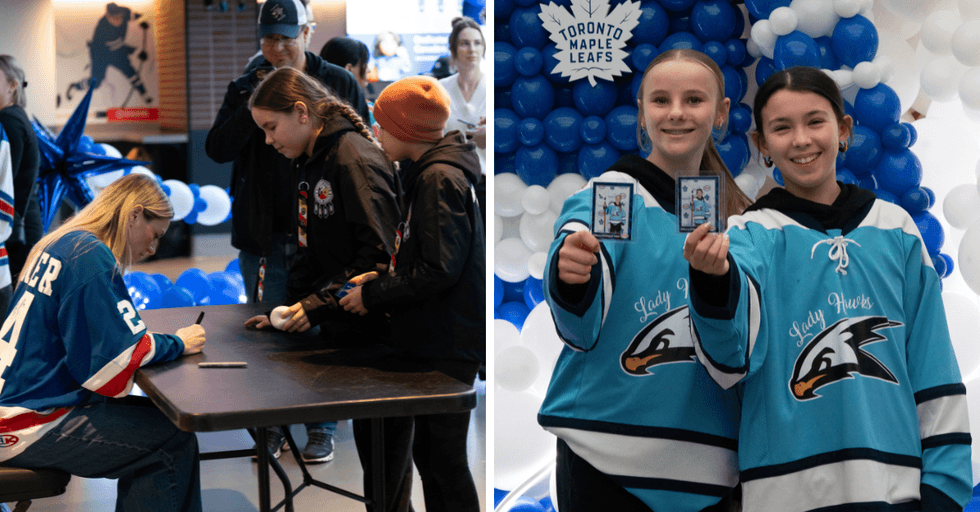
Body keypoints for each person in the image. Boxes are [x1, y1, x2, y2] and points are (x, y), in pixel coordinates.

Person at [684, 66, 973, 511]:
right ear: (762, 146)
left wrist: (943, 488)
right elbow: (727, 360)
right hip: (784, 495)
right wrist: (710, 280)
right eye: (781, 128)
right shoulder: (748, 238)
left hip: (894, 490)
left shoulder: (894, 228)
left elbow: (934, 364)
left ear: (843, 130)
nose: (801, 140)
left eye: (815, 121)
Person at [536, 48, 751, 512]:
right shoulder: (616, 193)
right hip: (609, 458)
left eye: (694, 100)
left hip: (710, 468)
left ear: (721, 114)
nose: (676, 113)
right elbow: (581, 318)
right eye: (660, 100)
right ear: (641, 112)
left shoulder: (722, 210)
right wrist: (572, 275)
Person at [205, 0, 368, 463]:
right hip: (265, 233)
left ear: (308, 33)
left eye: (286, 37)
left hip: (325, 231)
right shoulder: (244, 86)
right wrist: (253, 105)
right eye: (268, 39)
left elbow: (363, 146)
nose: (276, 48)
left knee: (321, 326)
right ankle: (271, 428)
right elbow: (217, 148)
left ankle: (321, 427)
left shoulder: (336, 81)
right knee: (267, 331)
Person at [0, 173, 205, 512]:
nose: (153, 249)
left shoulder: (64, 242)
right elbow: (115, 363)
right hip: (23, 422)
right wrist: (179, 342)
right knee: (170, 441)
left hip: (13, 402)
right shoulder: (91, 257)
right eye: (154, 235)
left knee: (162, 425)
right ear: (135, 214)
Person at [338, 75, 485, 512]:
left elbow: (439, 269)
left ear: (404, 130)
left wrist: (376, 295)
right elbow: (425, 255)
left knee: (444, 461)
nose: (374, 133)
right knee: (431, 457)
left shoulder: (438, 178)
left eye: (380, 124)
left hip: (449, 341)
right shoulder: (429, 172)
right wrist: (382, 274)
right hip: (437, 336)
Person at [439, 17, 486, 225]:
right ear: (454, 49)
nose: (471, 49)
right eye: (464, 43)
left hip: (485, 185)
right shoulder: (439, 89)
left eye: (477, 43)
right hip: (450, 185)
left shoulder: (495, 88)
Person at [0, 55, 43, 282]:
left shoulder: (8, 120)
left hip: (18, 234)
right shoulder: (15, 116)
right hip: (23, 228)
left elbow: (4, 179)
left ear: (12, 85)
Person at [66, 2, 152, 105]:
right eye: (114, 18)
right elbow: (114, 44)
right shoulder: (101, 28)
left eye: (119, 17)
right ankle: (75, 86)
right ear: (108, 15)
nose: (118, 20)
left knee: (131, 72)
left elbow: (134, 16)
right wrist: (132, 50)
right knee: (96, 82)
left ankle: (143, 93)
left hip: (117, 52)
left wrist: (142, 21)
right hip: (100, 54)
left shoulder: (124, 13)